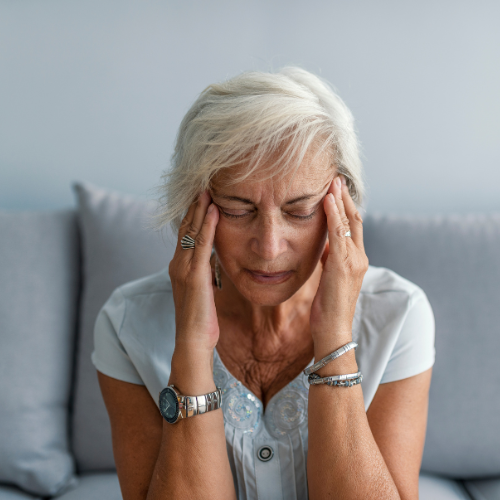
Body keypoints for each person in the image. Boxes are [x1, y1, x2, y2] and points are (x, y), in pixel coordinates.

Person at [93, 67, 435, 500]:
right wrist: (193, 347)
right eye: (238, 209)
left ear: (342, 208)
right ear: (194, 207)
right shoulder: (127, 325)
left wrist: (332, 340)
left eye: (300, 210)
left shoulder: (400, 314)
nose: (270, 247)